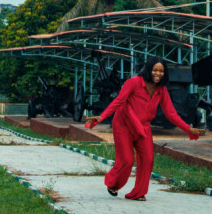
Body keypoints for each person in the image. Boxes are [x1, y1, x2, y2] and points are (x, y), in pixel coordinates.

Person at [85, 57, 205, 201]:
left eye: (161, 71)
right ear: (148, 70)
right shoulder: (133, 83)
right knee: (127, 160)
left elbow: (171, 113)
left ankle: (138, 193)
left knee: (148, 159)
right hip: (124, 125)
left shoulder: (161, 89)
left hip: (144, 127)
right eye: (155, 70)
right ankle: (113, 184)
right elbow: (119, 101)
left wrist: (188, 129)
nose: (158, 73)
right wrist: (101, 117)